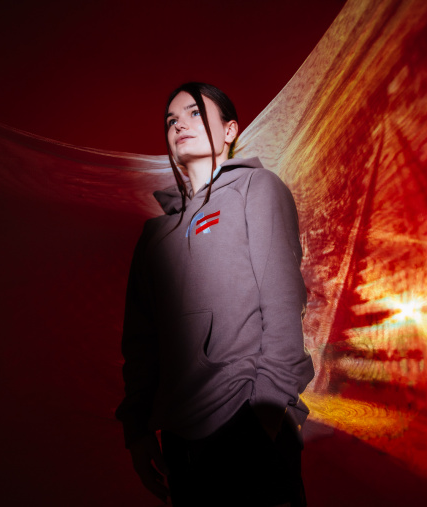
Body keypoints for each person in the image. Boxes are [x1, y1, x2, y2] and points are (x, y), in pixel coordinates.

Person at [116, 82, 315, 506]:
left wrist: (266, 416)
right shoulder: (153, 236)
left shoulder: (257, 188)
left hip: (250, 420)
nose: (178, 125)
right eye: (171, 120)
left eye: (193, 113)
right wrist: (137, 431)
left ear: (229, 131)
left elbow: (282, 305)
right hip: (178, 439)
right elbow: (140, 343)